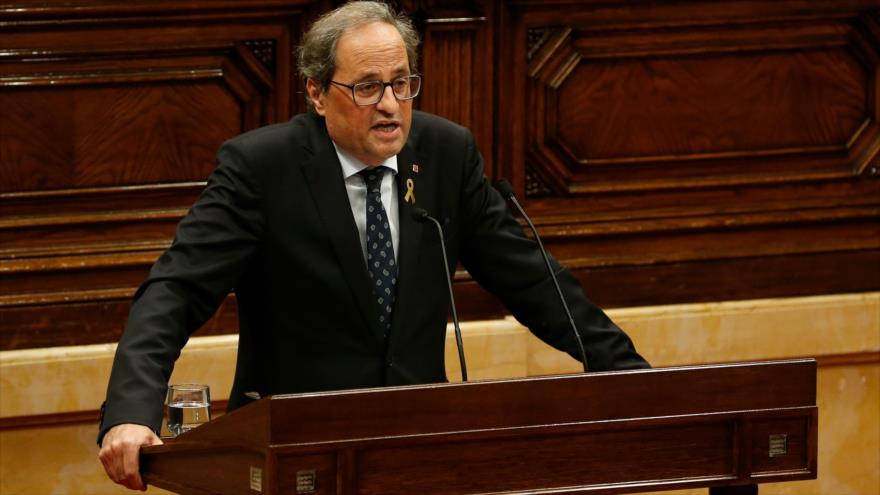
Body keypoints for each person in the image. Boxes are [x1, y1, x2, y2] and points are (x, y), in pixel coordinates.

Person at [97, 1, 649, 490]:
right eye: (366, 87)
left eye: (402, 83)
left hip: (418, 451)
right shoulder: (262, 168)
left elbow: (532, 282)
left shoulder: (445, 155)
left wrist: (633, 379)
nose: (390, 104)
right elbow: (176, 291)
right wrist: (129, 411)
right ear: (316, 92)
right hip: (296, 455)